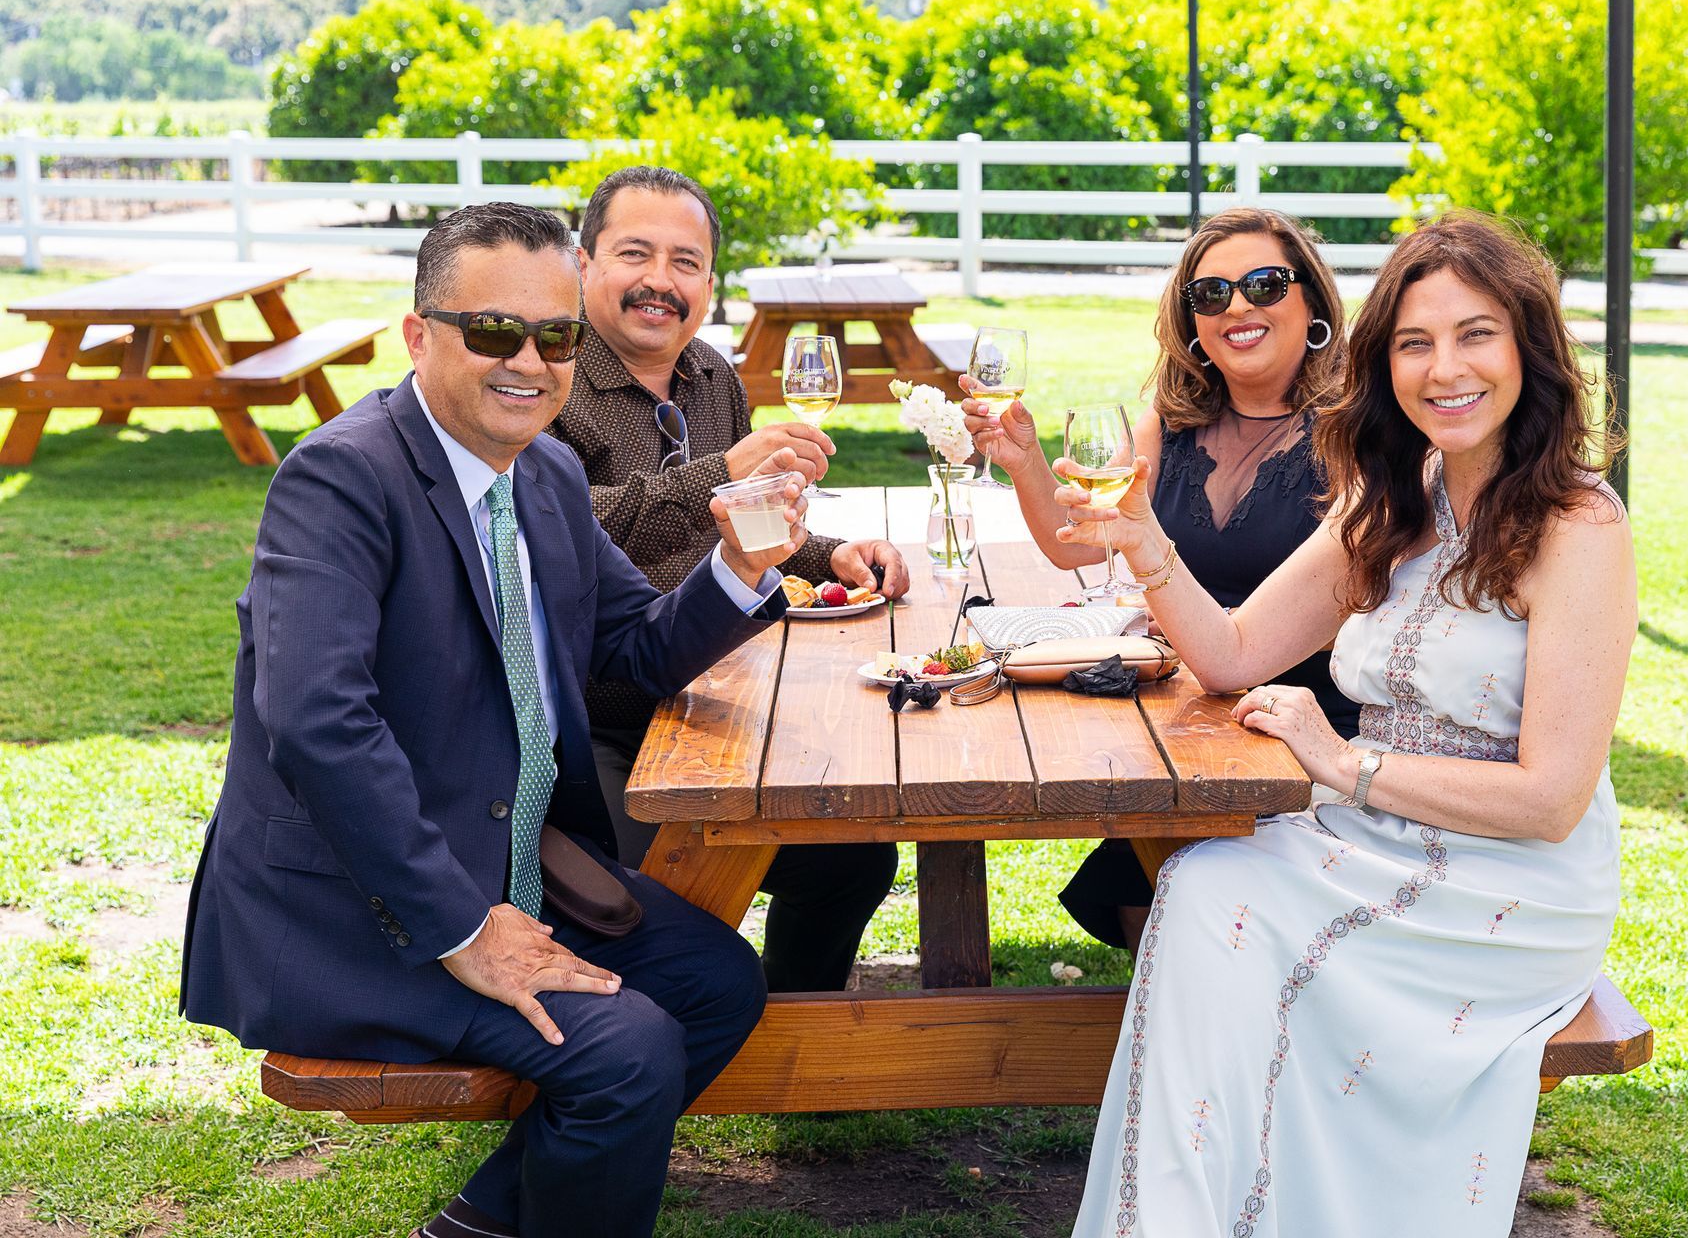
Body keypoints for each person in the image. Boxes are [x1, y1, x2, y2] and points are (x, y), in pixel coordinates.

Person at [180, 202, 810, 1238]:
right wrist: (467, 930)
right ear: (419, 335)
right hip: (363, 915)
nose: (529, 359)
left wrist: (740, 569)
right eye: (492, 331)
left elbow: (632, 648)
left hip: (509, 874)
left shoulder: (549, 474)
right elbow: (317, 721)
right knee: (628, 1050)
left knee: (716, 981)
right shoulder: (340, 477)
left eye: (555, 334)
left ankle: (481, 1221)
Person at [1059, 211, 1636, 1234]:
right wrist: (1140, 534)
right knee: (1199, 885)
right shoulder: (1391, 494)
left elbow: (1551, 800)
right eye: (1415, 342)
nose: (1443, 368)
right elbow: (1235, 651)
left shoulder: (1579, 527)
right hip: (1364, 838)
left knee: (1221, 905)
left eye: (1475, 335)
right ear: (1384, 364)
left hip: (1509, 883)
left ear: (1528, 351)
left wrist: (1342, 759)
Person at [960, 207, 1360, 953]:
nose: (1238, 307)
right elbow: (1076, 542)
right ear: (1192, 322)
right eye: (1211, 295)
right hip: (1195, 709)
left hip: (1310, 721)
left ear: (1313, 304)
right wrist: (1025, 461)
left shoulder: (1355, 435)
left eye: (1265, 285)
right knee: (1141, 875)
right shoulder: (1173, 423)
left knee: (1165, 878)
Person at [547, 165, 901, 993]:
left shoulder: (711, 374)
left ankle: (791, 1044)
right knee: (658, 892)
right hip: (602, 721)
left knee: (854, 850)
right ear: (584, 263)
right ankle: (662, 1035)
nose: (660, 282)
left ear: (710, 281)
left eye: (686, 262)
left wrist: (829, 555)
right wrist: (715, 477)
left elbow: (750, 523)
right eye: (636, 254)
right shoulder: (552, 377)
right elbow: (557, 528)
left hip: (725, 704)